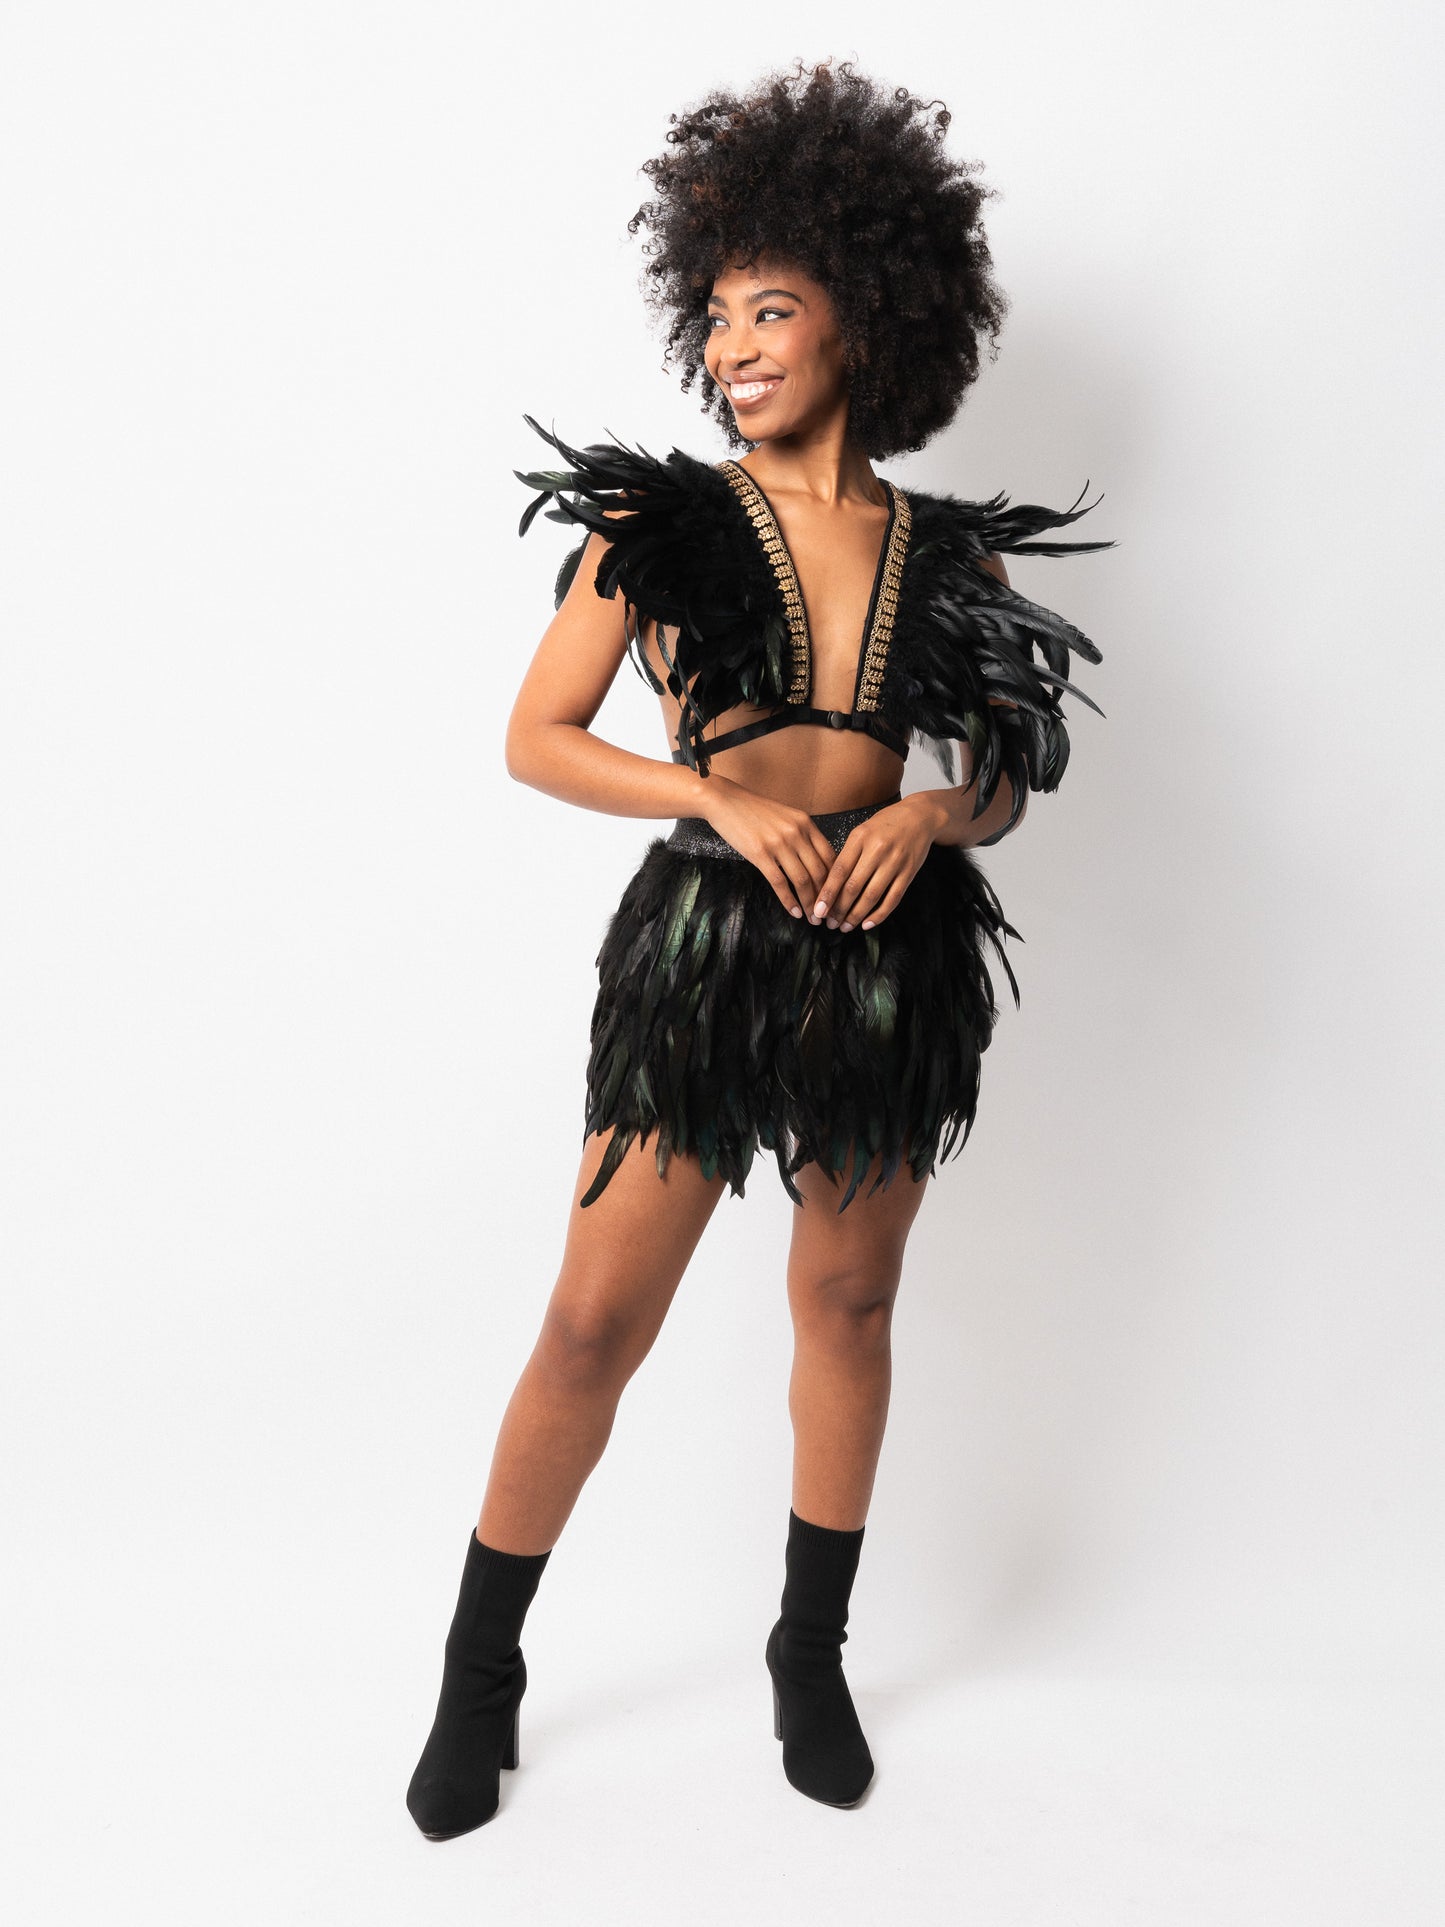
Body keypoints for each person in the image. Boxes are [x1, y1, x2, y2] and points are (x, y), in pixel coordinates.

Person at [406, 59, 1113, 1839]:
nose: (732, 347)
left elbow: (1002, 778)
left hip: (887, 957)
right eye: (716, 316)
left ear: (865, 317)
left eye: (770, 312)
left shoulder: (948, 556)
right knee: (591, 1320)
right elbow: (536, 737)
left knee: (848, 1302)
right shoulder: (654, 526)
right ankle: (479, 1675)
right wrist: (709, 799)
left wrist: (930, 819)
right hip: (706, 945)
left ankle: (809, 1654)